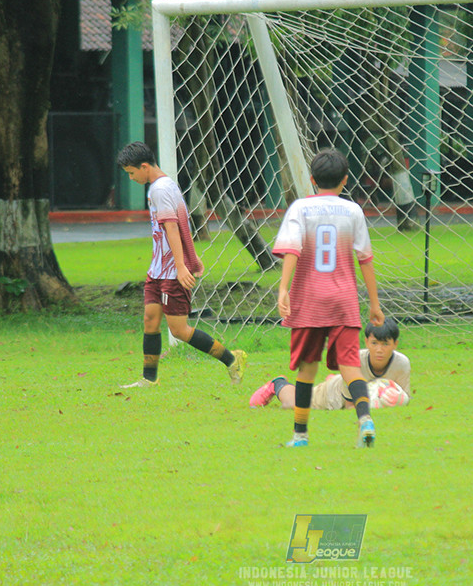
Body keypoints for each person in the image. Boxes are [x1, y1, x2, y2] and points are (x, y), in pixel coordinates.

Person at [272, 147, 384, 448]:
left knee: (307, 367)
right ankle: (365, 419)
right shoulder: (353, 211)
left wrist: (283, 289)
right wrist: (374, 304)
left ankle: (300, 435)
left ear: (311, 179)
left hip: (309, 300)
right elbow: (365, 259)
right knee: (350, 366)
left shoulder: (300, 208)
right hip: (343, 300)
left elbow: (292, 250)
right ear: (345, 180)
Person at [115, 141, 246, 388]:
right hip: (157, 269)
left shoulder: (160, 189)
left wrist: (182, 266)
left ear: (144, 167)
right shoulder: (162, 185)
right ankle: (149, 379)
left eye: (131, 173)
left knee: (179, 330)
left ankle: (232, 360)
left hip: (171, 271)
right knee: (150, 319)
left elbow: (172, 227)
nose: (131, 178)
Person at [249, 318, 410, 410]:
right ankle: (277, 384)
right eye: (374, 343)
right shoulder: (356, 360)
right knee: (294, 404)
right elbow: (350, 406)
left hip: (349, 387)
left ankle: (338, 379)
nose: (379, 350)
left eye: (385, 344)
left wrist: (393, 401)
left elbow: (404, 397)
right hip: (334, 395)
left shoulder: (402, 364)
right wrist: (377, 405)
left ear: (395, 344)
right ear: (366, 342)